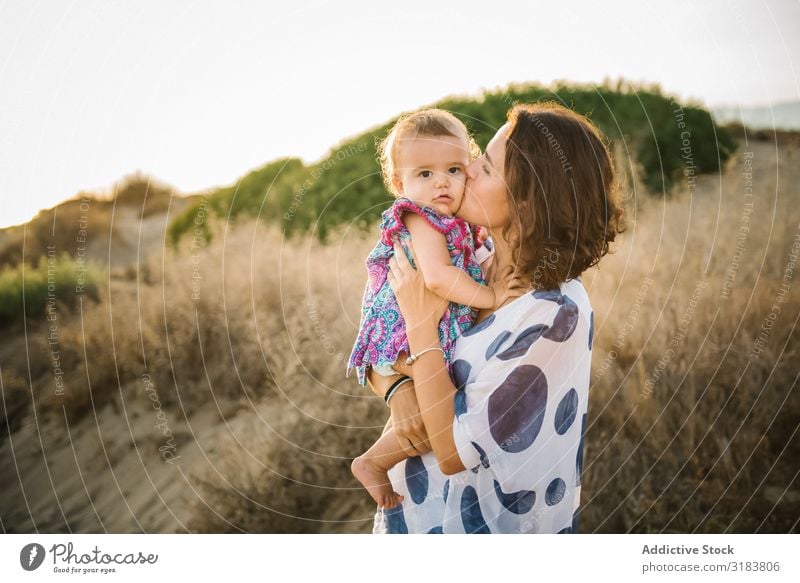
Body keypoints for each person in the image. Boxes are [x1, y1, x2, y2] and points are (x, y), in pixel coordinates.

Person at [367, 102, 625, 533]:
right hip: (415, 512)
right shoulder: (472, 261)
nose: (465, 170)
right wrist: (398, 391)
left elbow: (451, 452)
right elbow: (374, 340)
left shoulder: (554, 313)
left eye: (484, 167)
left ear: (527, 200)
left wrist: (420, 323)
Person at [347, 108, 512, 509]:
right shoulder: (420, 218)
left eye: (454, 168)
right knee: (430, 416)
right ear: (400, 184)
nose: (442, 182)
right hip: (404, 332)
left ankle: (376, 463)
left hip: (424, 330)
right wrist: (491, 297)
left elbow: (465, 267)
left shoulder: (461, 223)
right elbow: (437, 277)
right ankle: (371, 463)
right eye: (425, 174)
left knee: (425, 419)